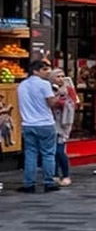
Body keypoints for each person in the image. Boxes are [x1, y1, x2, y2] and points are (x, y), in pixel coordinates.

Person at [16, 60, 58, 193]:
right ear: (35, 71)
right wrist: (57, 94)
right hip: (45, 123)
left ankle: (29, 183)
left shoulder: (22, 85)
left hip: (28, 124)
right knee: (48, 154)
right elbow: (51, 103)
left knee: (30, 154)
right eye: (44, 69)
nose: (48, 72)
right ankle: (48, 182)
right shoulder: (44, 84)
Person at [50, 69, 77, 186]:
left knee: (60, 150)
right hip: (51, 121)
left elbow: (74, 102)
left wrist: (63, 103)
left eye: (62, 76)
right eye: (58, 76)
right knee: (53, 151)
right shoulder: (49, 89)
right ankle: (54, 174)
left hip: (64, 122)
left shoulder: (68, 89)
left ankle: (66, 175)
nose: (61, 79)